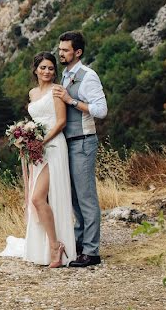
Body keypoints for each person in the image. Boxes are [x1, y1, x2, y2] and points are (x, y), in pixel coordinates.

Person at [0, 52, 77, 267]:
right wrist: (25, 138)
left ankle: (56, 246)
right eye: (43, 67)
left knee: (37, 198)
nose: (47, 71)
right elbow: (36, 120)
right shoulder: (32, 93)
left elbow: (61, 122)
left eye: (51, 68)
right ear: (35, 70)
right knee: (39, 199)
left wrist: (41, 142)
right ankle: (47, 246)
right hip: (38, 151)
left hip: (53, 147)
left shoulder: (57, 91)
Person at [52, 30, 108, 268]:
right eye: (60, 49)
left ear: (78, 52)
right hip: (68, 142)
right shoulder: (64, 76)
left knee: (86, 197)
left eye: (65, 50)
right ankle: (80, 242)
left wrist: (71, 101)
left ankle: (92, 252)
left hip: (84, 141)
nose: (60, 53)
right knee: (73, 196)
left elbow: (101, 110)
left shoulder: (88, 76)